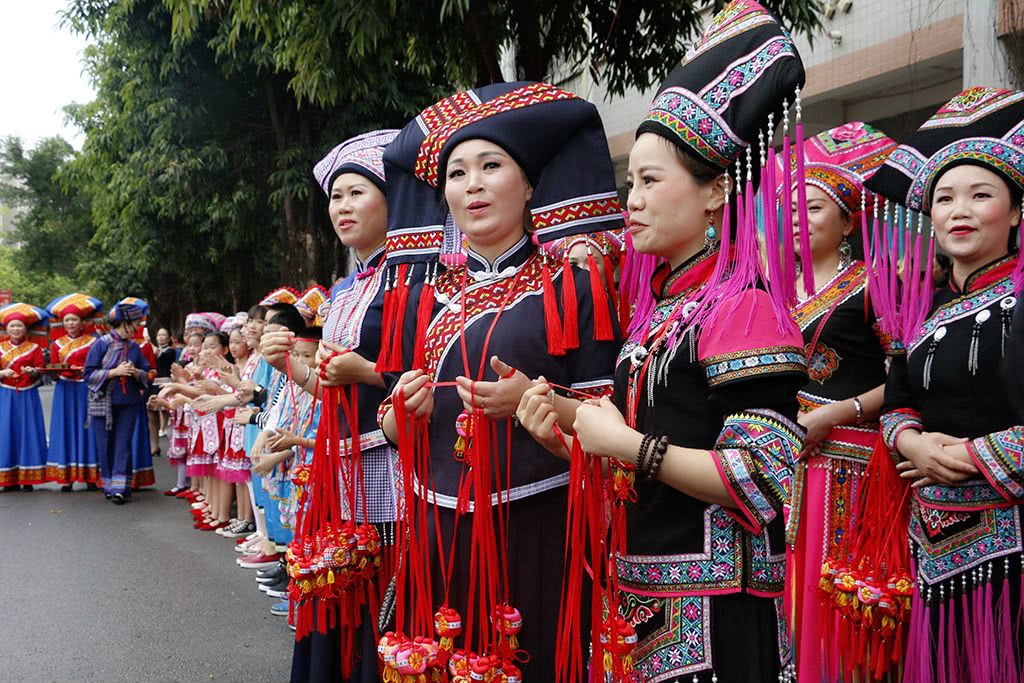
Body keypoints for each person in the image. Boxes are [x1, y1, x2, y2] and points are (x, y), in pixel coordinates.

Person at [517, 3, 808, 680]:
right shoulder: (657, 308)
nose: (632, 199)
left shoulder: (746, 307)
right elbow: (645, 444)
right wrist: (559, 423)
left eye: (651, 181)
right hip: (642, 595)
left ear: (714, 192)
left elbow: (762, 478)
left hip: (719, 609)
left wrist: (623, 443)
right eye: (630, 182)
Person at [378, 82, 623, 679]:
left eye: (492, 166)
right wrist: (400, 412)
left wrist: (533, 402)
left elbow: (605, 417)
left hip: (534, 521)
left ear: (531, 185)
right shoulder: (422, 298)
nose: (474, 184)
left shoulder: (574, 282)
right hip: (434, 524)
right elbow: (389, 424)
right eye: (457, 173)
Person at [857, 85, 1024, 682]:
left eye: (981, 195)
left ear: (1016, 210)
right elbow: (898, 401)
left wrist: (981, 454)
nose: (959, 209)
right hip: (931, 538)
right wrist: (912, 444)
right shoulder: (917, 309)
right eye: (945, 197)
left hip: (1015, 541)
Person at [258, 130, 407, 682]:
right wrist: (289, 368)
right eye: (335, 196)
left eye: (356, 193)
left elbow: (433, 380)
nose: (341, 207)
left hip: (395, 469)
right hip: (338, 466)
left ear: (394, 200)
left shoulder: (420, 280)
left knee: (387, 600)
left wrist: (365, 371)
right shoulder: (346, 290)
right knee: (339, 595)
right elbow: (332, 388)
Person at [781, 123, 899, 682]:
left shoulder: (876, 285)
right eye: (793, 206)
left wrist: (838, 412)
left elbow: (904, 379)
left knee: (839, 600)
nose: (800, 217)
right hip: (782, 461)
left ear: (850, 222)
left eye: (816, 206)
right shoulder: (771, 288)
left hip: (851, 466)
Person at [83, 301, 152, 504]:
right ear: (125, 322)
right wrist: (114, 372)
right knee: (104, 445)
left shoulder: (134, 347)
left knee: (123, 444)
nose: (138, 326)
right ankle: (108, 484)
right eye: (136, 322)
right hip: (103, 402)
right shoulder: (101, 344)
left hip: (128, 402)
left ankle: (120, 488)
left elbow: (147, 374)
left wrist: (136, 372)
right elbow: (88, 374)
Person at [44, 293, 104, 491]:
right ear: (63, 323)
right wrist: (55, 371)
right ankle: (67, 476)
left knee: (88, 428)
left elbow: (98, 366)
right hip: (64, 388)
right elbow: (52, 370)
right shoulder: (57, 344)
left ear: (82, 322)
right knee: (65, 427)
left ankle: (90, 475)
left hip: (85, 388)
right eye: (67, 320)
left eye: (74, 320)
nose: (70, 323)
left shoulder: (93, 342)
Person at [0, 303, 50, 492]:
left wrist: (33, 371)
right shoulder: (1, 348)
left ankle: (28, 476)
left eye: (19, 325)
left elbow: (40, 370)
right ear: (6, 328)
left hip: (28, 394)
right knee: (6, 433)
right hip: (5, 393)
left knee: (28, 432)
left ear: (26, 328)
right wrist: (3, 372)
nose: (16, 329)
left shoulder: (35, 348)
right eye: (12, 326)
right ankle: (7, 478)